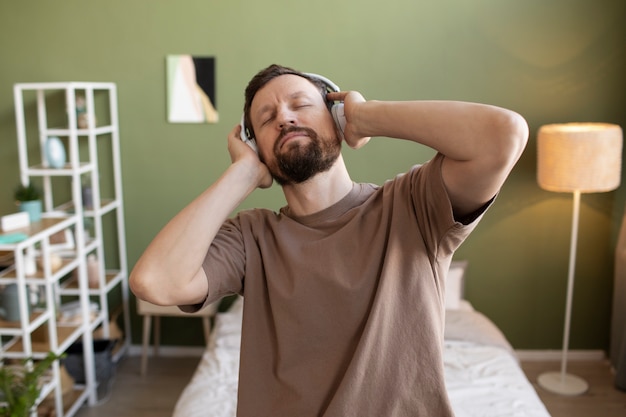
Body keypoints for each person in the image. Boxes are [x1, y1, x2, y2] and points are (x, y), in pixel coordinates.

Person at [130, 64, 528, 416]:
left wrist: (366, 118)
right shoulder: (251, 237)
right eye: (266, 118)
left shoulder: (411, 205)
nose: (284, 117)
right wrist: (242, 174)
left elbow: (504, 135)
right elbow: (155, 281)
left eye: (300, 104)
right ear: (258, 151)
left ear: (336, 116)